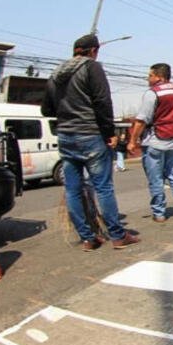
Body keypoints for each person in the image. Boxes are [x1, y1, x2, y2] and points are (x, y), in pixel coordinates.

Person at [41, 33, 139, 251]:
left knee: (73, 190)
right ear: (94, 50)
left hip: (66, 136)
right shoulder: (92, 68)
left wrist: (66, 112)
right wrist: (109, 132)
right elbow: (102, 101)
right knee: (103, 187)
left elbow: (46, 109)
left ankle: (88, 238)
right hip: (91, 134)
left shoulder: (56, 73)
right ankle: (117, 235)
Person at [128, 63, 173, 224]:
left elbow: (142, 120)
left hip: (156, 141)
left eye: (150, 75)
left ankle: (159, 213)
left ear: (159, 77)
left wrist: (132, 141)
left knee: (156, 179)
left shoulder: (153, 93)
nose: (148, 79)